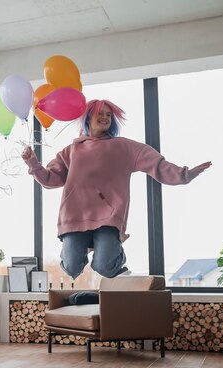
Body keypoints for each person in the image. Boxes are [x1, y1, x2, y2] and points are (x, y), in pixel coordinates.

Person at [22, 99, 211, 279]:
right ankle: (91, 244)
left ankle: (114, 248)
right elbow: (49, 179)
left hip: (108, 217)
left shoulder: (123, 147)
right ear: (88, 117)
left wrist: (185, 174)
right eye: (100, 113)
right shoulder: (71, 150)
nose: (105, 117)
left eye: (109, 115)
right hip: (74, 216)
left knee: (105, 267)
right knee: (71, 268)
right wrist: (33, 162)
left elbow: (157, 164)